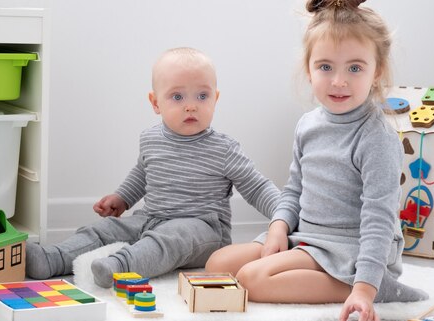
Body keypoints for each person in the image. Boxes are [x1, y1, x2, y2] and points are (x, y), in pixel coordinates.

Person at [205, 0, 428, 321]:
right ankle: (314, 268)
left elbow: (379, 218)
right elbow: (294, 190)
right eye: (325, 66)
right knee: (218, 263)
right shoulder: (308, 125)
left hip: (351, 247)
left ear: (378, 72)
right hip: (306, 236)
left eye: (355, 68)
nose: (338, 81)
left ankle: (370, 285)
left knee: (252, 278)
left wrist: (364, 287)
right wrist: (279, 226)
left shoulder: (376, 138)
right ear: (309, 69)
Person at [26, 46, 281, 288]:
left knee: (172, 238)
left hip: (202, 229)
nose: (191, 105)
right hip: (151, 218)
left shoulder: (223, 149)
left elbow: (257, 187)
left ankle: (120, 266)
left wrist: (284, 217)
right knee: (106, 229)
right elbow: (142, 173)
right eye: (177, 96)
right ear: (156, 102)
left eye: (202, 96)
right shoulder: (151, 139)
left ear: (215, 99)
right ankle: (53, 258)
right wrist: (122, 198)